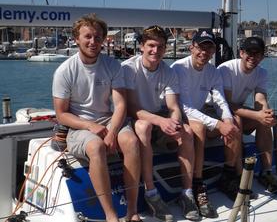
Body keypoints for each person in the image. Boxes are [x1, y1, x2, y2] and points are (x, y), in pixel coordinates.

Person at [52, 14, 141, 222]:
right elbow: (61, 114)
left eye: (98, 37)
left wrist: (112, 132)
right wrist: (89, 125)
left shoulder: (113, 65)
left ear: (103, 39)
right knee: (96, 147)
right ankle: (111, 216)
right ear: (77, 39)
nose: (93, 42)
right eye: (88, 36)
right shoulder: (64, 71)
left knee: (132, 142)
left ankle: (132, 211)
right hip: (79, 125)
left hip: (108, 120)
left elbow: (120, 105)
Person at [121, 25, 199, 221]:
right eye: (151, 45)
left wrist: (174, 122)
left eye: (161, 46)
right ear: (141, 46)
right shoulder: (128, 69)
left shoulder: (168, 72)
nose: (156, 51)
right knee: (143, 126)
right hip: (135, 121)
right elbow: (131, 108)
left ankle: (187, 193)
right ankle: (151, 193)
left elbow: (173, 106)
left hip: (158, 117)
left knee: (187, 132)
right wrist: (160, 121)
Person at [171, 30, 242, 204]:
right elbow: (184, 106)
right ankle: (197, 183)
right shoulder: (179, 68)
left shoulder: (213, 71)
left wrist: (227, 120)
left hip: (199, 111)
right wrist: (218, 125)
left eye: (209, 48)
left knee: (235, 121)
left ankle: (228, 173)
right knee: (199, 128)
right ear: (191, 48)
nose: (204, 52)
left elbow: (219, 100)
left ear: (213, 51)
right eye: (200, 47)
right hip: (181, 114)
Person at [218, 36, 277, 194]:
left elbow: (260, 99)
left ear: (262, 56)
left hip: (236, 110)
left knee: (264, 120)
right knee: (238, 119)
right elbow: (226, 104)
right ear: (241, 53)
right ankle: (240, 175)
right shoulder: (226, 69)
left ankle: (267, 172)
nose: (253, 56)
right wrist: (257, 115)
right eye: (249, 52)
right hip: (218, 112)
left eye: (258, 53)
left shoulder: (261, 73)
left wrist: (265, 114)